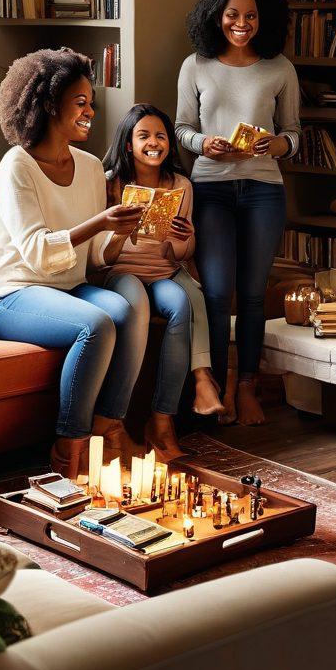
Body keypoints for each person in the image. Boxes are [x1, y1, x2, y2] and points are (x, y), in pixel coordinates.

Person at [0, 48, 149, 480]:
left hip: (69, 287)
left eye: (91, 103)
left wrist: (124, 230)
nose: (91, 111)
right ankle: (68, 446)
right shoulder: (16, 165)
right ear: (50, 105)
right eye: (81, 103)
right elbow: (37, 252)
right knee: (95, 325)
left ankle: (109, 431)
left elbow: (95, 258)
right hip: (15, 294)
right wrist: (100, 220)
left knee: (128, 311)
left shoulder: (92, 167)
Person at [175, 0, 301, 426]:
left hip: (264, 190)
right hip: (211, 188)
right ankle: (216, 386)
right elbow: (181, 128)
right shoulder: (196, 66)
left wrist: (277, 146)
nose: (241, 23)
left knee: (251, 296)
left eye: (250, 16)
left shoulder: (280, 68)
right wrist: (202, 145)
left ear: (262, 20)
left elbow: (294, 134)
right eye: (233, 15)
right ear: (217, 17)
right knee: (216, 291)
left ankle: (246, 386)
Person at [103, 102, 224, 461]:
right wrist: (124, 230)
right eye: (143, 136)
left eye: (160, 136)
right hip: (121, 273)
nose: (153, 142)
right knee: (135, 299)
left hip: (162, 273)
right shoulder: (112, 183)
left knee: (182, 301)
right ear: (129, 144)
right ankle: (118, 424)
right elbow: (102, 250)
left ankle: (162, 421)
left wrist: (181, 238)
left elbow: (182, 253)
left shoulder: (181, 186)